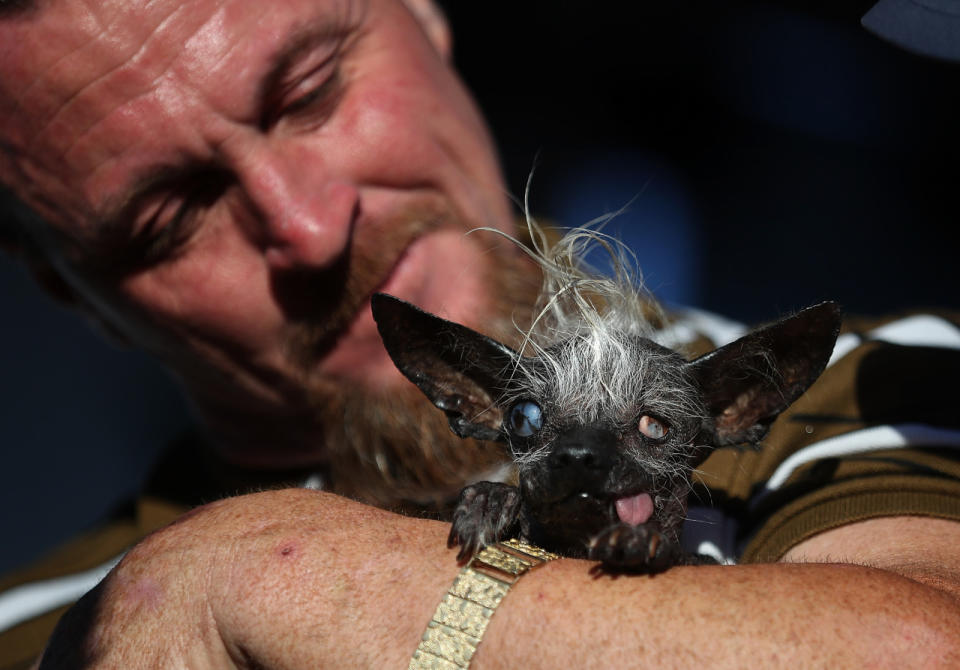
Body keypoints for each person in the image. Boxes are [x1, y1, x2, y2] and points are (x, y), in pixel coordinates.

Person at [0, 0, 958, 668]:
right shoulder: (26, 632)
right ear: (74, 294)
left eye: (312, 90)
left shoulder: (879, 395)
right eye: (171, 218)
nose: (305, 224)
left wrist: (234, 578)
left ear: (423, 14)